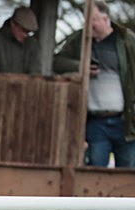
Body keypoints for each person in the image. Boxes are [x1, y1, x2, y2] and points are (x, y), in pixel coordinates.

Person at [53, 0, 135, 168]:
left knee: (127, 171)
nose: (89, 25)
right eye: (87, 20)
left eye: (94, 20)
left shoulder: (126, 40)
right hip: (96, 121)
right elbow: (57, 62)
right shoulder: (79, 40)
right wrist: (81, 66)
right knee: (96, 169)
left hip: (124, 121)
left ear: (106, 19)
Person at [0, 6, 42, 74]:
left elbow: (35, 72)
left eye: (28, 32)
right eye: (23, 30)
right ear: (13, 23)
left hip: (27, 84)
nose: (25, 35)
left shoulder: (32, 45)